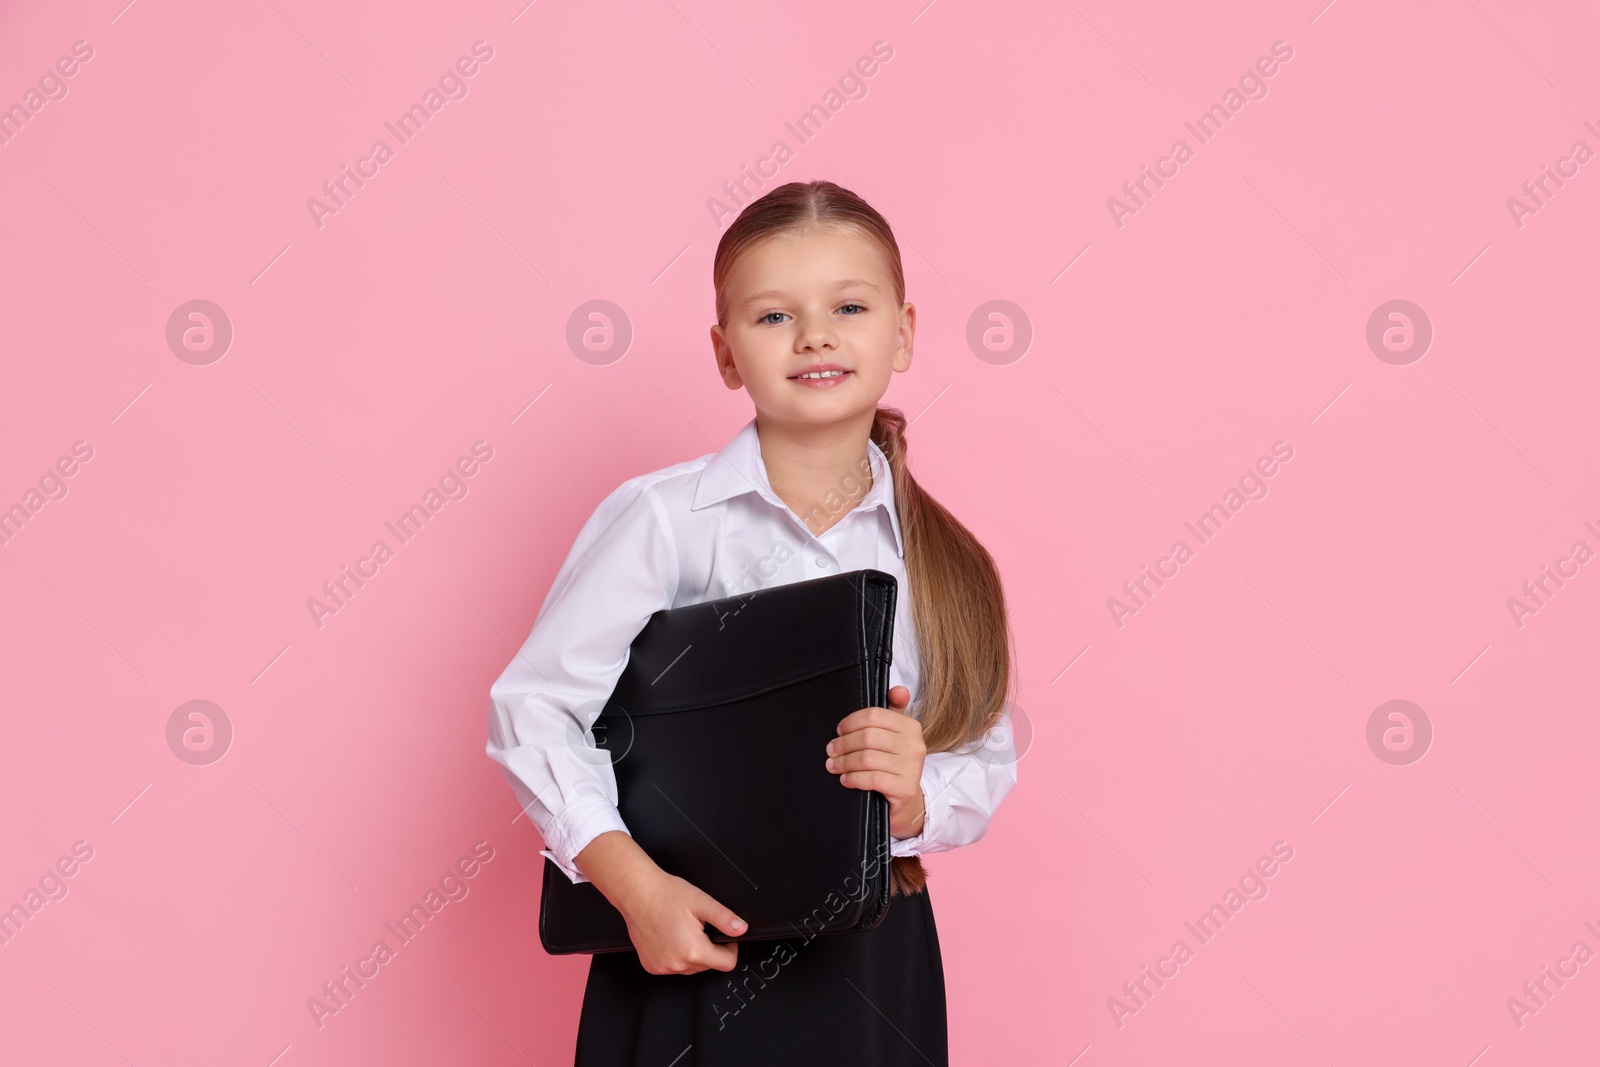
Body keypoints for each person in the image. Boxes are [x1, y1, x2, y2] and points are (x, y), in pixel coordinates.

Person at [486, 179, 1019, 1066]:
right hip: (683, 937)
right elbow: (535, 707)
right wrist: (634, 886)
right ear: (726, 352)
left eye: (849, 305)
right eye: (773, 316)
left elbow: (984, 759)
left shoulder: (946, 565)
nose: (815, 334)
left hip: (872, 961)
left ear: (905, 332)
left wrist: (918, 794)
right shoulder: (663, 520)